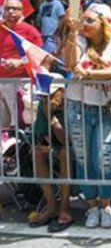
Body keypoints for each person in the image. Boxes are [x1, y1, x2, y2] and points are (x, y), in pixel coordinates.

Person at [63, 3, 111, 228]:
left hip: (105, 108)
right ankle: (92, 207)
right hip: (77, 107)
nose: (83, 24)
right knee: (83, 159)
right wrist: (72, 32)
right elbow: (70, 64)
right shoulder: (78, 38)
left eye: (89, 20)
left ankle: (106, 205)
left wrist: (89, 73)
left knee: (103, 158)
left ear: (104, 23)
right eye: (82, 19)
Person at [28, 84, 72, 232]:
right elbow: (40, 137)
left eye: (53, 94)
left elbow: (67, 141)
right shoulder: (44, 105)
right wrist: (45, 146)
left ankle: (65, 205)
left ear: (62, 91)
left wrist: (52, 119)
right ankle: (51, 204)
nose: (49, 98)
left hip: (73, 147)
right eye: (46, 95)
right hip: (54, 145)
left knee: (65, 153)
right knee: (37, 152)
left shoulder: (71, 104)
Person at [0, 0, 43, 127]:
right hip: (1, 81)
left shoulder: (30, 31)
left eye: (15, 9)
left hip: (19, 82)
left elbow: (40, 55)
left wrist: (20, 62)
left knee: (18, 122)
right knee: (2, 124)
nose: (10, 11)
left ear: (22, 12)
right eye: (8, 8)